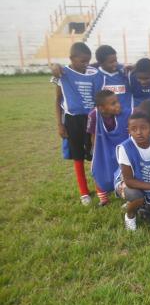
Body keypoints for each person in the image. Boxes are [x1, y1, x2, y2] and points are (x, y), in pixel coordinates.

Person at [52, 42, 100, 205]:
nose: (85, 64)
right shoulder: (63, 73)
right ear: (71, 59)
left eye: (88, 61)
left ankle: (100, 188)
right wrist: (60, 124)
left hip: (92, 118)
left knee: (95, 154)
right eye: (82, 61)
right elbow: (58, 100)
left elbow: (103, 63)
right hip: (73, 120)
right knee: (77, 156)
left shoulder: (92, 73)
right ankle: (84, 193)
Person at [87, 90, 129, 206]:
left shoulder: (124, 114)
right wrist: (96, 151)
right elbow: (93, 135)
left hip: (119, 146)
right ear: (101, 108)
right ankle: (103, 198)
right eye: (113, 103)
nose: (118, 105)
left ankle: (125, 195)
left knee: (123, 171)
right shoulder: (93, 115)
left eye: (117, 102)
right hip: (102, 146)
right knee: (98, 168)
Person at [94, 45, 132, 114]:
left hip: (126, 115)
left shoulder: (124, 72)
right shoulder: (95, 76)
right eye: (111, 62)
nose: (115, 63)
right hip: (108, 117)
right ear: (100, 63)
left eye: (116, 60)